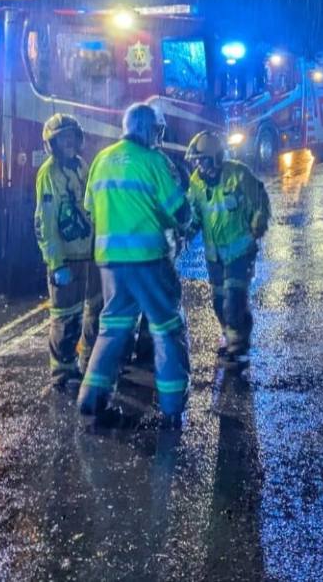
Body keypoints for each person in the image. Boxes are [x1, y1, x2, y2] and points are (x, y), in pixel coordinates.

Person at [78, 103, 194, 429]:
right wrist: (184, 220)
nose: (159, 137)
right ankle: (172, 407)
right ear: (148, 129)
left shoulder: (102, 159)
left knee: (112, 329)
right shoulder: (154, 161)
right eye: (157, 131)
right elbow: (178, 210)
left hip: (110, 263)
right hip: (148, 261)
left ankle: (91, 401)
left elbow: (90, 206)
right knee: (167, 328)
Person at [184, 131, 271, 367]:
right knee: (218, 301)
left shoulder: (238, 174)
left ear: (216, 158)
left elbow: (260, 199)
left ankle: (238, 347)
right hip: (215, 255)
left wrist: (258, 223)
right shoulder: (196, 181)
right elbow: (194, 212)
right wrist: (187, 232)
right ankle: (232, 335)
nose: (199, 166)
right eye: (196, 161)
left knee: (234, 298)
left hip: (241, 251)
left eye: (203, 160)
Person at [34, 114, 101, 390]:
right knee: (65, 316)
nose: (68, 142)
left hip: (89, 253)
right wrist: (56, 262)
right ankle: (63, 373)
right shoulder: (49, 174)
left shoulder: (81, 166)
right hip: (66, 258)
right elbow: (45, 222)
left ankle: (89, 360)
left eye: (72, 136)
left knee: (94, 309)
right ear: (52, 144)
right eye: (62, 138)